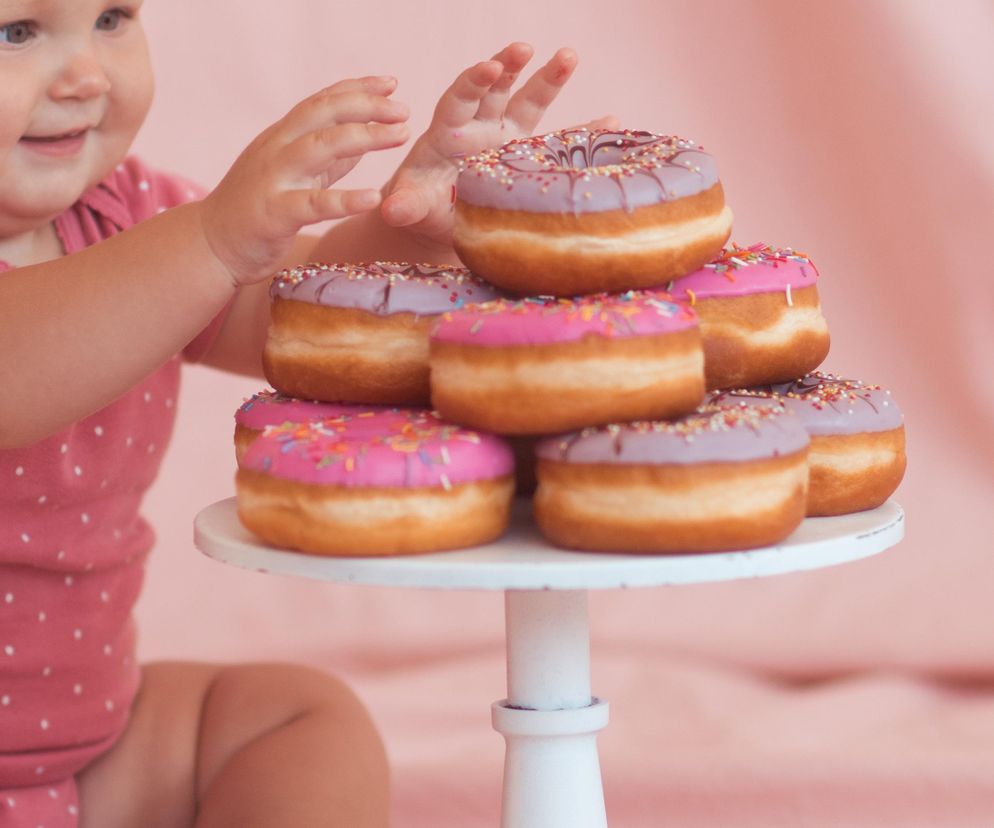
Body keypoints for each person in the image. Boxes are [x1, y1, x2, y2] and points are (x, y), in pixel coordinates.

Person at [0, 1, 599, 824]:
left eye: (111, 18)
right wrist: (209, 243)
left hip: (89, 745)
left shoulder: (124, 216)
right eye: (16, 33)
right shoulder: (173, 245)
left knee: (297, 721)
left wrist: (412, 238)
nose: (87, 78)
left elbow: (292, 317)